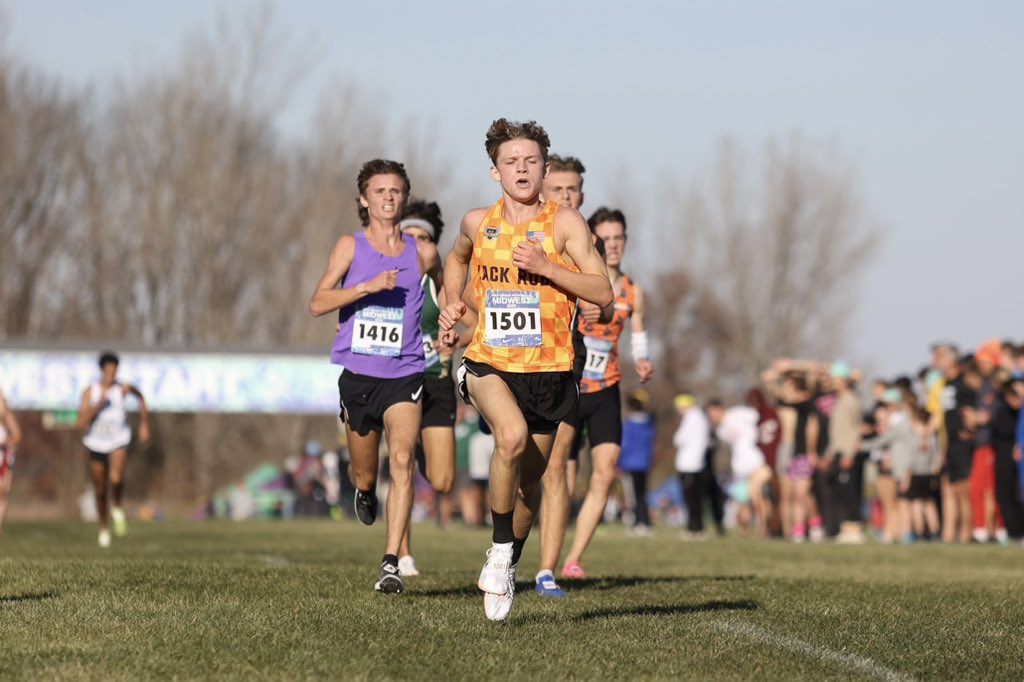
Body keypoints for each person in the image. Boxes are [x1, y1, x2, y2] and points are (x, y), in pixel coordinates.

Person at [438, 118, 612, 622]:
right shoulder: (477, 221)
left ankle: (508, 559)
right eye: (511, 162)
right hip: (488, 360)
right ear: (494, 171)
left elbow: (602, 292)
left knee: (528, 488)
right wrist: (453, 303)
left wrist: (547, 266)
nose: (521, 169)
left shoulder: (565, 225)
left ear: (545, 168)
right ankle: (497, 551)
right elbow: (456, 261)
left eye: (531, 161)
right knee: (508, 438)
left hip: (552, 369)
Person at [308, 158, 425, 594]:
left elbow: (449, 293)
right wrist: (366, 288)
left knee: (402, 459)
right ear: (364, 199)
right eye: (379, 191)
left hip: (406, 372)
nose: (388, 197)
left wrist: (452, 312)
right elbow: (318, 303)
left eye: (395, 190)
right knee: (365, 471)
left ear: (404, 196)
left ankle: (392, 561)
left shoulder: (420, 251)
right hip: (359, 374)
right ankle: (363, 490)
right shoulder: (350, 247)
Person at [558, 206, 653, 579]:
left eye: (618, 239)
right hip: (570, 386)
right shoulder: (576, 280)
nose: (612, 246)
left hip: (607, 388)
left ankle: (574, 558)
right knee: (560, 479)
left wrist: (643, 361)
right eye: (605, 239)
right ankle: (547, 550)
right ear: (593, 241)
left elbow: (639, 333)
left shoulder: (633, 292)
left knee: (604, 471)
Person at [395, 198, 457, 577]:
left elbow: (467, 326)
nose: (416, 244)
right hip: (398, 382)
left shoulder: (441, 282)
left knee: (443, 479)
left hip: (436, 382)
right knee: (400, 466)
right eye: (409, 236)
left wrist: (453, 339)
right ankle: (402, 554)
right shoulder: (385, 277)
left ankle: (415, 452)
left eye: (424, 237)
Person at [75, 351, 151, 547]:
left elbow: (140, 396)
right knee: (100, 490)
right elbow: (80, 422)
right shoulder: (90, 392)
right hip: (95, 443)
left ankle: (117, 505)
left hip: (118, 440)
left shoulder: (123, 389)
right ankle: (103, 528)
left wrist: (144, 423)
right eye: (108, 370)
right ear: (101, 370)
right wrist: (98, 406)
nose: (111, 373)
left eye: (114, 370)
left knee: (116, 478)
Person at [706, 402, 772, 537]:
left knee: (757, 497)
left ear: (719, 409)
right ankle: (745, 530)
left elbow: (759, 418)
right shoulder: (721, 431)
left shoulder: (738, 413)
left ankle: (763, 528)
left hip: (756, 461)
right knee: (742, 500)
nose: (711, 416)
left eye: (712, 412)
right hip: (740, 468)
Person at [618, 389, 656, 536]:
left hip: (630, 464)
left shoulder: (629, 425)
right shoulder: (649, 424)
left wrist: (618, 464)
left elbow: (624, 445)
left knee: (633, 496)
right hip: (644, 463)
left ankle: (640, 523)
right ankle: (644, 522)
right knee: (642, 494)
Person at [673, 394, 710, 539]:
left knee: (691, 500)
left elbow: (678, 439)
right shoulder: (700, 418)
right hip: (696, 464)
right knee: (696, 499)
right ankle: (697, 528)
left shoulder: (691, 418)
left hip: (689, 465)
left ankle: (693, 528)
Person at [0, 388, 23, 533]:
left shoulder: (6, 415)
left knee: (2, 492)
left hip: (3, 458)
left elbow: (17, 436)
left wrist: (5, 443)